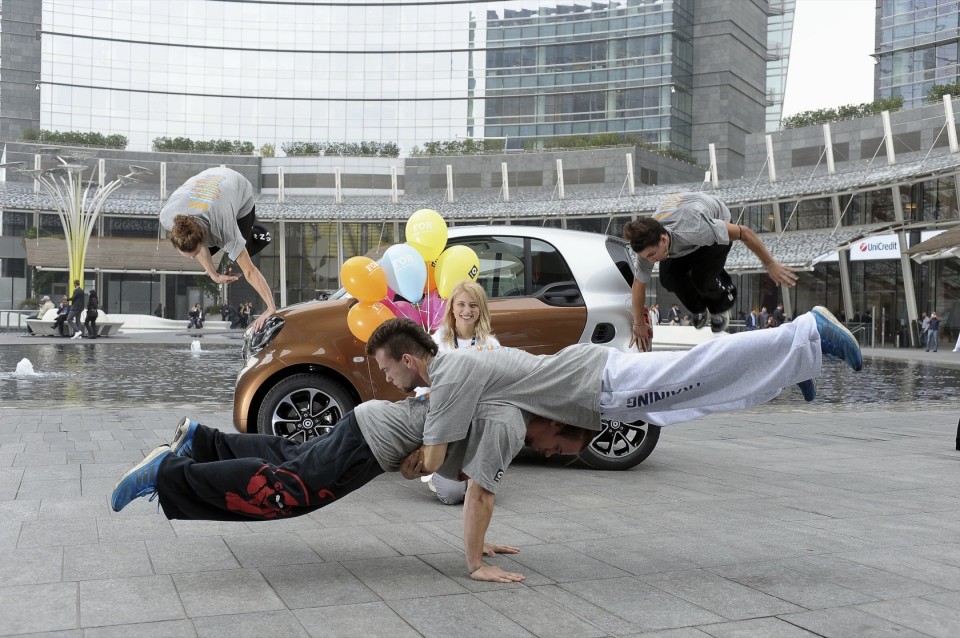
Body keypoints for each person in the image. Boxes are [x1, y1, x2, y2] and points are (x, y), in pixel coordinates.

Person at [363, 307, 859, 580]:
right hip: (597, 388)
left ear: (408, 360)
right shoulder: (453, 371)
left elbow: (432, 458)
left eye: (386, 367)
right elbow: (450, 459)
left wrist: (418, 468)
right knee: (696, 399)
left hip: (596, 382)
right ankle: (799, 361)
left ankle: (805, 332)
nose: (386, 378)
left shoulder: (449, 372)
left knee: (695, 372)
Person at [111, 405, 591, 585]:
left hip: (370, 423)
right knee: (286, 491)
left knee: (288, 458)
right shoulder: (511, 427)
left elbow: (473, 496)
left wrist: (479, 538)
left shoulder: (508, 413)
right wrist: (475, 564)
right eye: (560, 448)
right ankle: (169, 472)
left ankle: (201, 440)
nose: (552, 455)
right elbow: (480, 496)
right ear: (553, 423)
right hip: (372, 442)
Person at [623, 192, 798, 350]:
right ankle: (699, 308)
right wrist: (638, 324)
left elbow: (744, 232)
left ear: (663, 239)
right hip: (678, 225)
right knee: (667, 279)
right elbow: (639, 283)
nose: (651, 261)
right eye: (647, 257)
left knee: (702, 279)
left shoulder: (697, 227)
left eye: (652, 255)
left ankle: (720, 305)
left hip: (713, 224)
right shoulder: (646, 245)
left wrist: (770, 264)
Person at [160, 166, 276, 332]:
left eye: (194, 253)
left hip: (237, 186)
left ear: (203, 237)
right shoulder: (167, 217)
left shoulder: (224, 229)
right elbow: (199, 249)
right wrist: (214, 276)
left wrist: (271, 308)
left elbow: (250, 272)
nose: (193, 258)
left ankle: (258, 233)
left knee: (240, 253)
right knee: (214, 250)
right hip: (207, 176)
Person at [423, 280, 501, 506]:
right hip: (446, 422)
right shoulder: (437, 342)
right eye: (462, 305)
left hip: (478, 422)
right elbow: (425, 384)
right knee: (451, 496)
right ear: (452, 308)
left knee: (480, 494)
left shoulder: (491, 344)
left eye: (473, 305)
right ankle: (438, 472)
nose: (467, 311)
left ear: (481, 309)